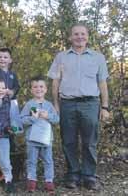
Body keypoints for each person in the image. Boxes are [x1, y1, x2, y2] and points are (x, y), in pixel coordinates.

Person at [48, 23, 110, 191]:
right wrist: (55, 104)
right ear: (70, 37)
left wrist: (105, 107)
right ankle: (73, 174)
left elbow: (102, 83)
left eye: (83, 34)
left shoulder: (98, 57)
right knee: (68, 140)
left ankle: (89, 175)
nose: (79, 37)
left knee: (90, 141)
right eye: (76, 34)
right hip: (67, 103)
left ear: (88, 37)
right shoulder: (61, 57)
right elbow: (55, 81)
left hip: (91, 104)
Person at [20, 76, 59, 193]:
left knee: (48, 160)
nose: (38, 89)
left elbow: (57, 119)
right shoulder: (29, 105)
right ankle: (31, 181)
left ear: (46, 89)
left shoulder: (49, 105)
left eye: (41, 86)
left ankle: (49, 181)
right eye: (35, 87)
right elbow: (22, 120)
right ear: (31, 90)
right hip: (32, 139)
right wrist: (32, 118)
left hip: (47, 139)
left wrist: (49, 116)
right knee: (32, 160)